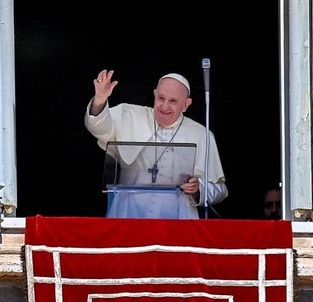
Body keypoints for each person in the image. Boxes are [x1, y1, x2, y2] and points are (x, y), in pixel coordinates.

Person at [84, 69, 228, 219]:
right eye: (161, 98)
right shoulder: (129, 114)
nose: (164, 106)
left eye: (173, 101)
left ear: (186, 104)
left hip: (176, 218)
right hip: (128, 212)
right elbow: (98, 128)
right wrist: (100, 99)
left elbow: (220, 190)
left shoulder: (201, 135)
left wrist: (199, 189)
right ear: (154, 94)